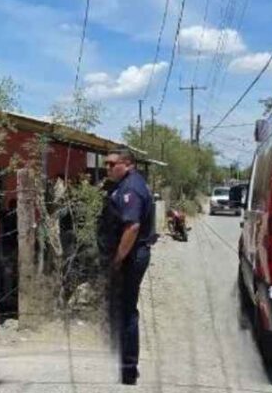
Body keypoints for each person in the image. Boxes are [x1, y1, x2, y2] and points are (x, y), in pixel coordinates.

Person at [98, 149, 154, 385]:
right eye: (106, 164)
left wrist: (118, 259)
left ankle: (128, 369)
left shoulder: (131, 188)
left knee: (127, 311)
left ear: (128, 164)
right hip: (131, 254)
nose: (107, 168)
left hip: (131, 256)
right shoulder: (126, 184)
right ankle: (126, 363)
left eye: (112, 164)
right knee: (124, 309)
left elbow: (132, 228)